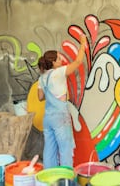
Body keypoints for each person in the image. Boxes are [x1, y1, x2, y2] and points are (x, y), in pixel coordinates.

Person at [37, 34, 86, 168]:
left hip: (48, 119)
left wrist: (51, 92)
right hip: (60, 118)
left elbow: (40, 97)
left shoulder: (41, 78)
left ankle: (49, 180)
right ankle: (66, 180)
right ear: (52, 62)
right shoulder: (58, 72)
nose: (61, 61)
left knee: (49, 152)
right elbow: (77, 62)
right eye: (59, 59)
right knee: (65, 150)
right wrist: (82, 44)